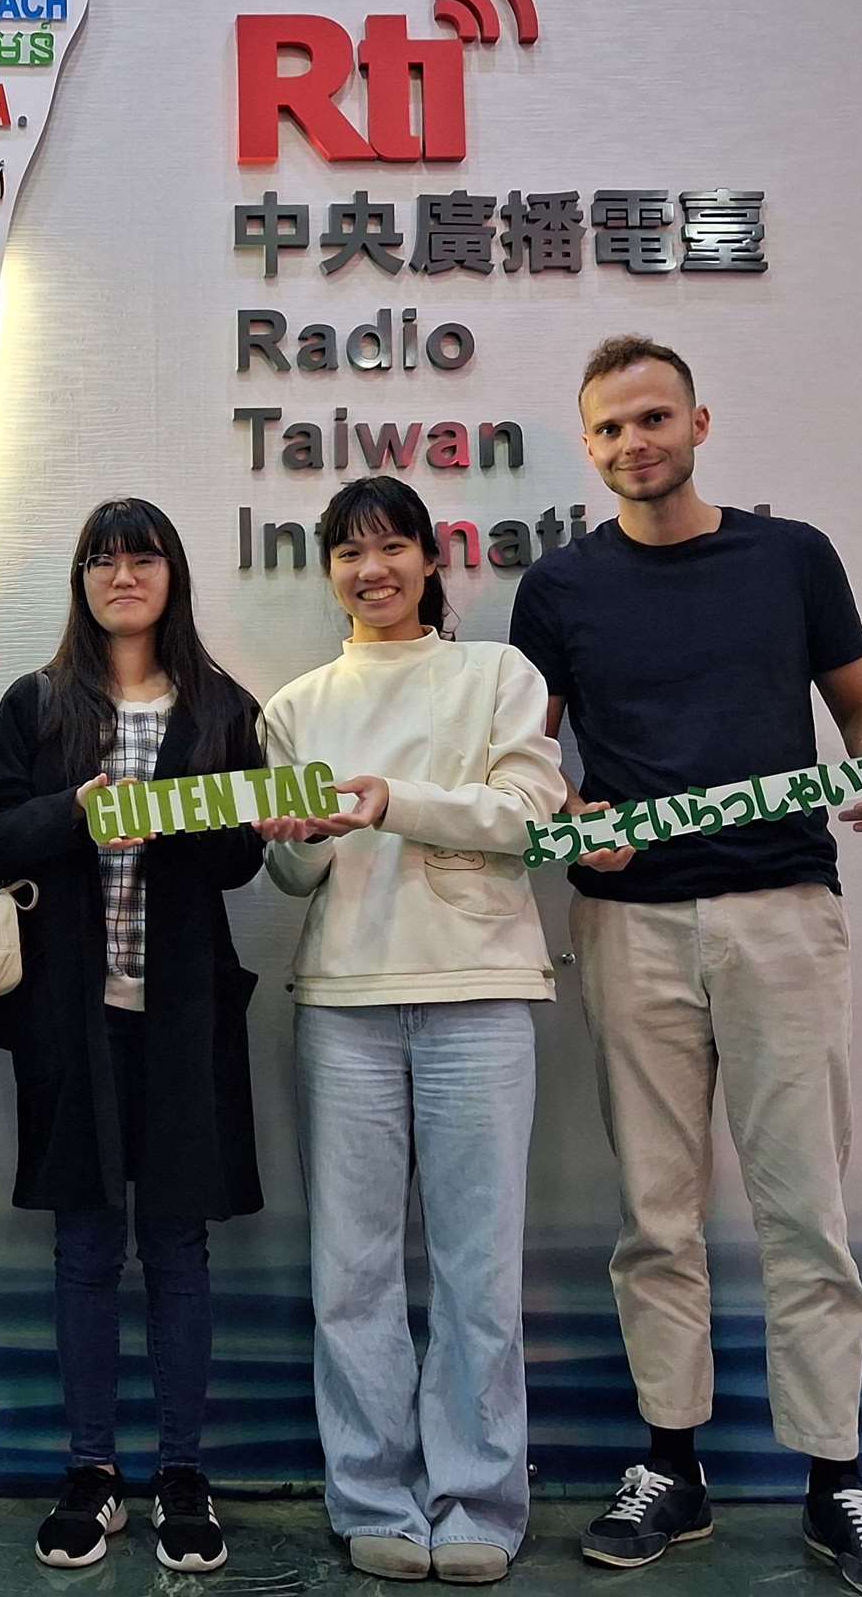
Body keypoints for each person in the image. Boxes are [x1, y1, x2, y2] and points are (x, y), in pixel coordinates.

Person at [508, 337, 862, 1597]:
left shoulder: (788, 557)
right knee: (655, 1212)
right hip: (627, 923)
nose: (632, 442)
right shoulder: (558, 591)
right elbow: (532, 763)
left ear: (698, 420)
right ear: (586, 448)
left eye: (651, 418)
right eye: (607, 429)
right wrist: (569, 815)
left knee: (805, 1205)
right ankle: (669, 1467)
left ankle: (833, 1481)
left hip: (782, 910)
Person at [256, 476, 565, 1587]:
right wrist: (291, 836)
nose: (370, 570)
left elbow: (533, 824)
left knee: (480, 1269)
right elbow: (295, 872)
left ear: (434, 562)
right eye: (348, 553)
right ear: (327, 570)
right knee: (352, 1269)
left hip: (482, 990)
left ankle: (478, 1498)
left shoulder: (496, 675)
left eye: (391, 548)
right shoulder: (294, 704)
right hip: (341, 1002)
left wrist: (395, 800)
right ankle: (372, 1496)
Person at [0, 497, 265, 1577]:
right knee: (84, 1250)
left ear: (173, 575)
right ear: (81, 578)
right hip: (68, 1018)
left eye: (143, 557)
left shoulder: (225, 703)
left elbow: (237, 865)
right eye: (102, 557)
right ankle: (91, 1471)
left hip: (183, 1014)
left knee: (179, 1249)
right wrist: (75, 813)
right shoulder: (38, 702)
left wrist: (214, 814)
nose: (123, 574)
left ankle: (183, 1471)